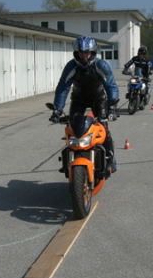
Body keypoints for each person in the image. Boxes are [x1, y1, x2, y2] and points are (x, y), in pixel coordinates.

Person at [50, 35, 119, 174]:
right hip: (78, 100)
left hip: (98, 100)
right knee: (73, 128)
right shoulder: (71, 66)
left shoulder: (102, 65)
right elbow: (63, 87)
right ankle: (70, 159)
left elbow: (111, 86)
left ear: (93, 53)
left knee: (103, 128)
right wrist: (57, 110)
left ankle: (111, 159)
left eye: (87, 53)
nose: (84, 56)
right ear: (76, 53)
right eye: (81, 53)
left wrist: (112, 107)